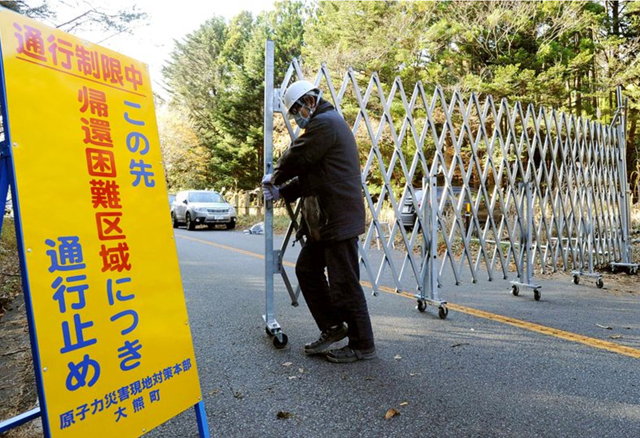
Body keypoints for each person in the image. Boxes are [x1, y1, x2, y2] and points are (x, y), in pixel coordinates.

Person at [262, 80, 375, 363]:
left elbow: (297, 157)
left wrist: (274, 176)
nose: (296, 118)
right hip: (325, 220)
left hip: (337, 218)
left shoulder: (325, 123)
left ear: (309, 102)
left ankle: (363, 345)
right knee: (307, 270)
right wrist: (282, 192)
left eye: (296, 111)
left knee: (345, 283)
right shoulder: (326, 124)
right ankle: (333, 327)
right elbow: (312, 176)